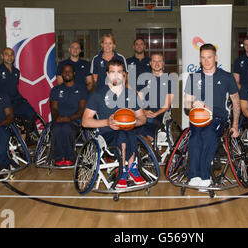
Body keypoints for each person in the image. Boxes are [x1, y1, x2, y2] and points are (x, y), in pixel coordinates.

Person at [82, 59, 147, 189]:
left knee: (127, 130)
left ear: (124, 74)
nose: (116, 75)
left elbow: (142, 118)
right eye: (112, 72)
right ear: (107, 74)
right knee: (123, 132)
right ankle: (124, 169)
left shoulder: (131, 94)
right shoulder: (97, 94)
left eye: (119, 72)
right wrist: (107, 122)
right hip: (106, 135)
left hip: (128, 133)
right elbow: (85, 121)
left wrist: (133, 123)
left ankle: (130, 168)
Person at [184, 44, 241, 189]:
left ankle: (205, 176)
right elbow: (186, 105)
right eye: (203, 58)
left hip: (217, 117)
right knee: (195, 138)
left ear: (215, 58)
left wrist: (235, 125)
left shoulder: (227, 77)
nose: (206, 61)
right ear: (200, 59)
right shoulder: (193, 77)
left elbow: (236, 102)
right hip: (198, 117)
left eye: (209, 57)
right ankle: (194, 175)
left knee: (209, 135)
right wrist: (193, 105)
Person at [0, 47, 38, 145]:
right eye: (6, 54)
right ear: (2, 56)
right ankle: (19, 141)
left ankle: (23, 134)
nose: (9, 57)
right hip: (4, 102)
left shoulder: (17, 71)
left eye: (11, 54)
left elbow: (16, 87)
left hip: (17, 100)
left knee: (32, 114)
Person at [49, 64, 88, 166]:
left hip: (75, 120)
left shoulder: (81, 88)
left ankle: (70, 157)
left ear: (74, 73)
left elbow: (81, 110)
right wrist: (57, 118)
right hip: (59, 120)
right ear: (61, 74)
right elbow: (53, 108)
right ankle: (58, 158)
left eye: (69, 71)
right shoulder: (55, 90)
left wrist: (68, 118)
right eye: (65, 71)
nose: (67, 74)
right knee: (56, 129)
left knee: (66, 128)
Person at [135, 52, 174, 142]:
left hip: (160, 115)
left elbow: (166, 105)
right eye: (154, 61)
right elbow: (139, 101)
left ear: (163, 63)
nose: (156, 64)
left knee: (147, 126)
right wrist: (144, 111)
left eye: (159, 61)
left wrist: (155, 114)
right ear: (150, 63)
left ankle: (149, 143)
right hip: (144, 113)